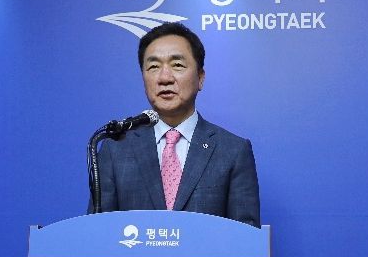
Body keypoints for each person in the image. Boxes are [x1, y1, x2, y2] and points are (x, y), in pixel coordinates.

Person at [95, 22, 260, 227]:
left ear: (200, 78)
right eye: (153, 67)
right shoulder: (115, 150)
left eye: (177, 65)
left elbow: (246, 239)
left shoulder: (233, 151)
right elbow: (98, 234)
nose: (165, 78)